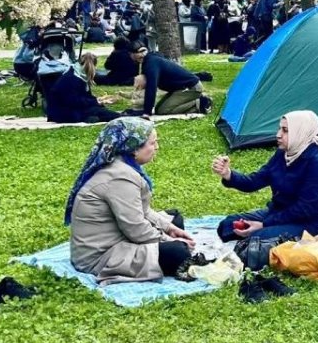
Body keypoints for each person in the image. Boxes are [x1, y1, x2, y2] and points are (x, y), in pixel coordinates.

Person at [68, 118, 196, 284]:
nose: (156, 147)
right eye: (152, 143)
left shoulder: (121, 166)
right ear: (134, 149)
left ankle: (167, 242)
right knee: (179, 252)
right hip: (101, 256)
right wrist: (170, 240)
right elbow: (135, 228)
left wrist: (168, 228)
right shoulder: (120, 177)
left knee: (174, 218)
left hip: (119, 238)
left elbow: (143, 211)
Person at [213, 110, 318, 242]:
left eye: (285, 130)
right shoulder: (284, 153)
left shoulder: (317, 162)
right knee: (228, 226)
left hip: (310, 224)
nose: (278, 135)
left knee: (256, 240)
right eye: (280, 129)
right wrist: (228, 174)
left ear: (300, 132)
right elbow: (254, 181)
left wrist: (264, 225)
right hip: (278, 213)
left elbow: (305, 208)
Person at [130, 44, 206, 116]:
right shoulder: (150, 60)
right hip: (180, 88)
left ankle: (200, 104)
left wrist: (147, 112)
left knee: (163, 110)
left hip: (191, 88)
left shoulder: (151, 63)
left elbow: (151, 87)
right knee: (158, 109)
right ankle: (195, 102)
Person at [46, 54, 122, 124]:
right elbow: (75, 101)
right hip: (63, 113)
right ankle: (120, 116)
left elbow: (84, 96)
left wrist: (98, 100)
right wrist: (95, 101)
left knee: (99, 109)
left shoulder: (76, 74)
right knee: (96, 111)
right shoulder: (73, 78)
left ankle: (95, 117)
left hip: (63, 110)